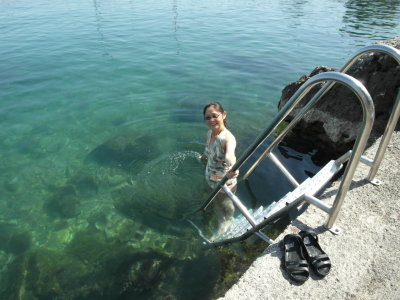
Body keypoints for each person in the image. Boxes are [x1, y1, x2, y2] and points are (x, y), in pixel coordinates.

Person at [200, 102, 239, 239]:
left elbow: (230, 156)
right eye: (207, 117)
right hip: (211, 179)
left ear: (223, 115)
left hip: (224, 182)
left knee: (226, 205)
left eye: (215, 116)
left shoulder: (228, 138)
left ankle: (225, 227)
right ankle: (219, 222)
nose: (211, 120)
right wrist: (204, 157)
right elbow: (208, 151)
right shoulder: (209, 133)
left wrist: (233, 168)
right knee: (216, 203)